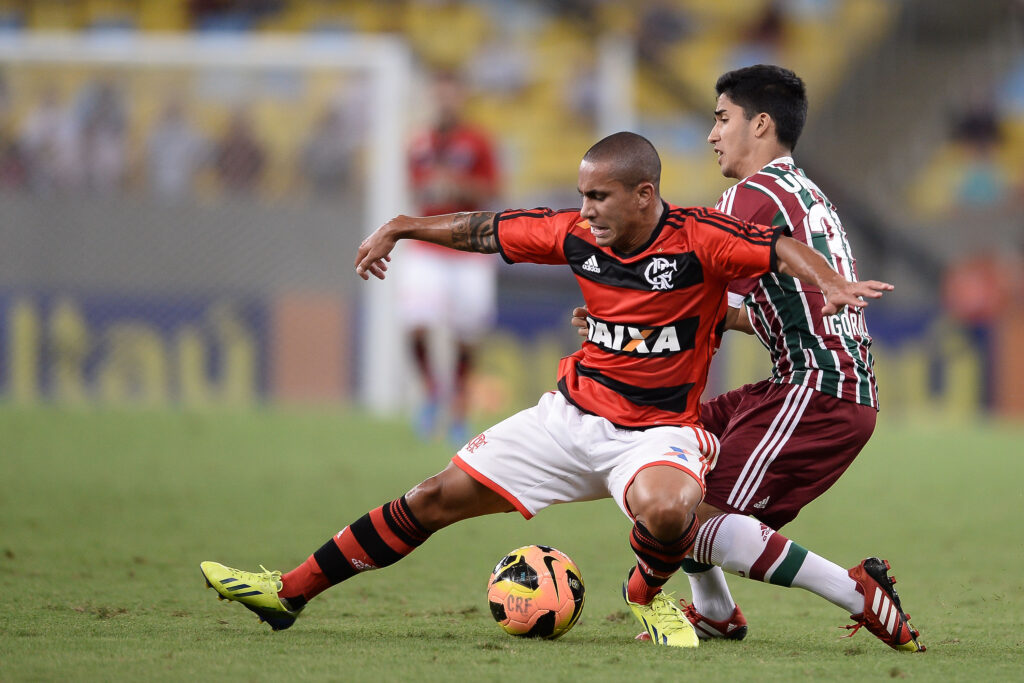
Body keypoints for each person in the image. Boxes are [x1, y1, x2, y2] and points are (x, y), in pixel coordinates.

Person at [199, 131, 891, 648]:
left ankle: (645, 593)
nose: (585, 208)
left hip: (655, 434)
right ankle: (287, 590)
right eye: (583, 194)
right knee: (432, 497)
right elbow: (482, 229)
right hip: (567, 419)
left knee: (675, 507)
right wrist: (404, 226)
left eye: (599, 195)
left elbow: (776, 247)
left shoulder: (700, 238)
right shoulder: (573, 235)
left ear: (644, 194)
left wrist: (827, 280)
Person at [570, 65, 924, 652]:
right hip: (804, 383)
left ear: (759, 124)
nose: (712, 134)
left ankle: (858, 592)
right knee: (666, 448)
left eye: (721, 118)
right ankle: (715, 613)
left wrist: (626, 312)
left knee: (694, 519)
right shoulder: (800, 192)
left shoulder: (752, 196)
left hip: (818, 389)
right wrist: (621, 316)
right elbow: (735, 311)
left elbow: (689, 294)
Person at [401, 69, 500, 445]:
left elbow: (493, 189)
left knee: (467, 333)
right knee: (415, 323)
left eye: (451, 94)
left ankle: (458, 404)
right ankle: (431, 393)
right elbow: (414, 186)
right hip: (428, 247)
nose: (444, 101)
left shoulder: (478, 141)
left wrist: (458, 186)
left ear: (461, 97)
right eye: (439, 94)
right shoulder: (417, 143)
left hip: (471, 250)